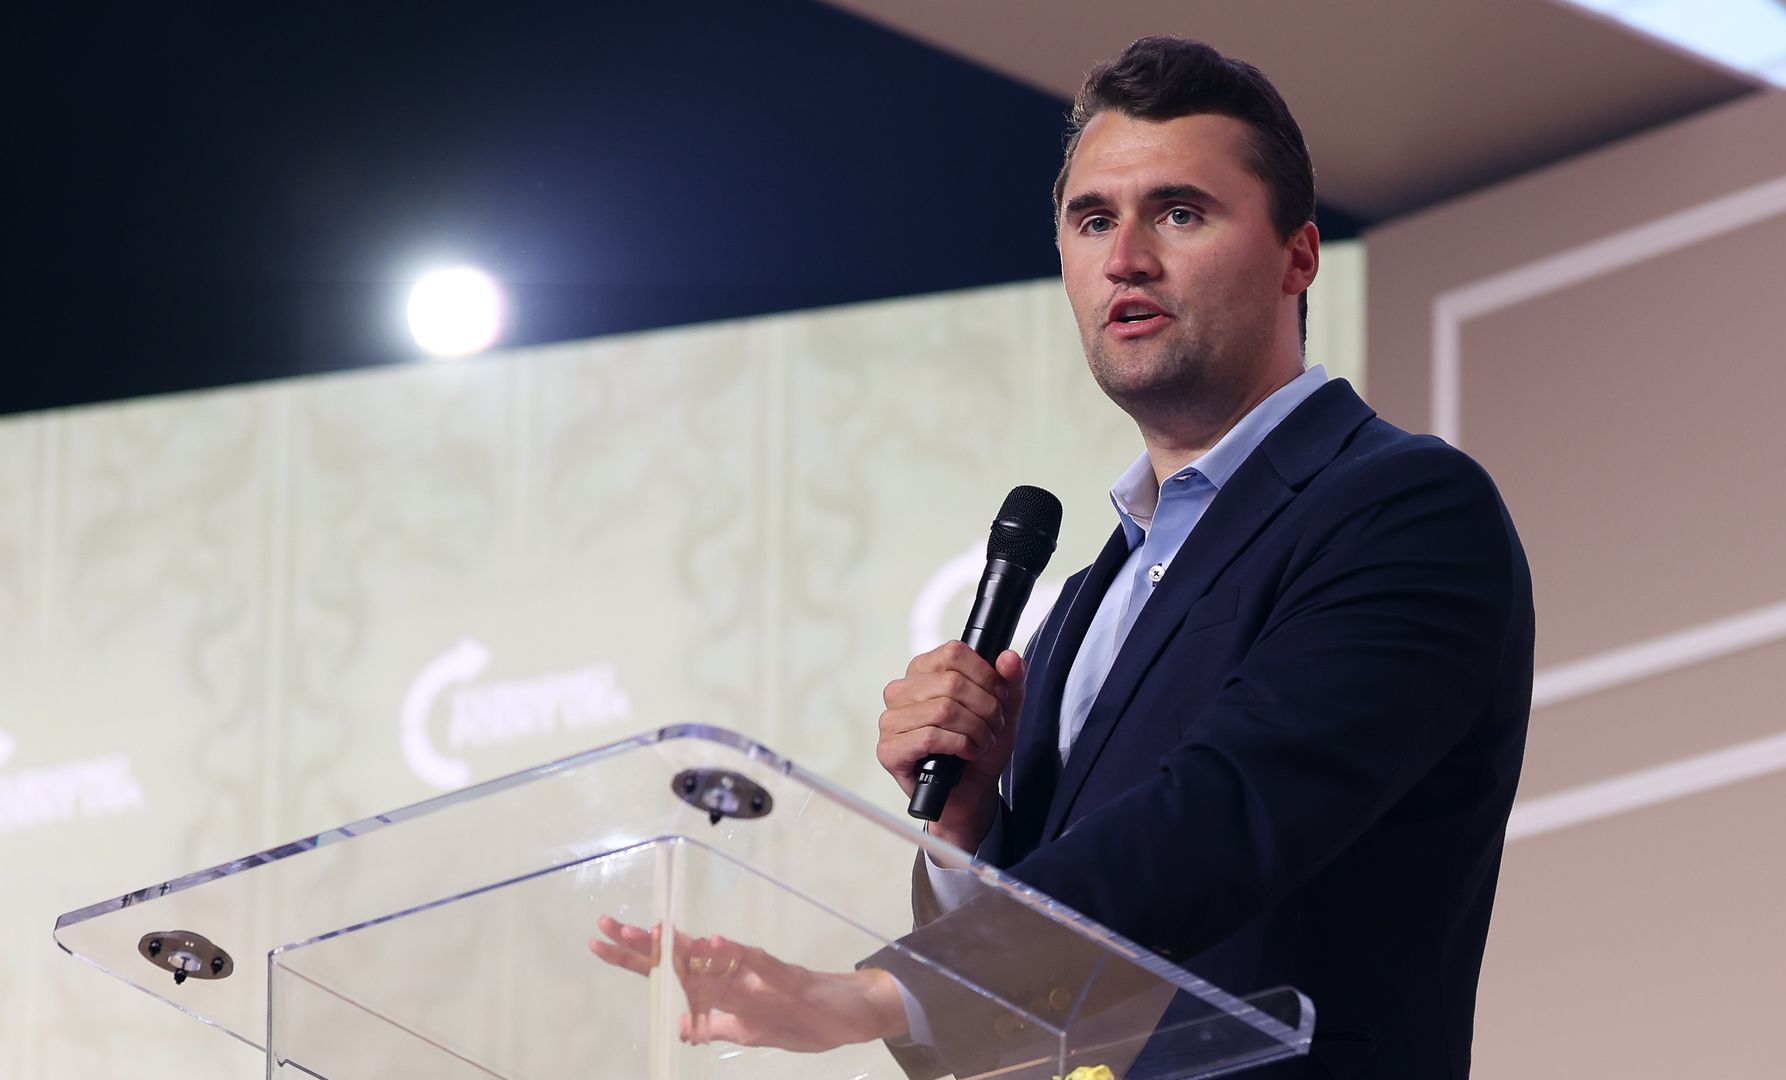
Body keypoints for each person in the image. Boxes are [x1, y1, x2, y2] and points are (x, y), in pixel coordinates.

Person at [595, 35, 1532, 1079]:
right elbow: (1049, 959)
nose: (1125, 256)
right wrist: (966, 830)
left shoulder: (1401, 508)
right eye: (1093, 220)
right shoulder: (1091, 594)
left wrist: (888, 989)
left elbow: (1229, 816)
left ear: (1297, 256)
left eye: (1179, 212)